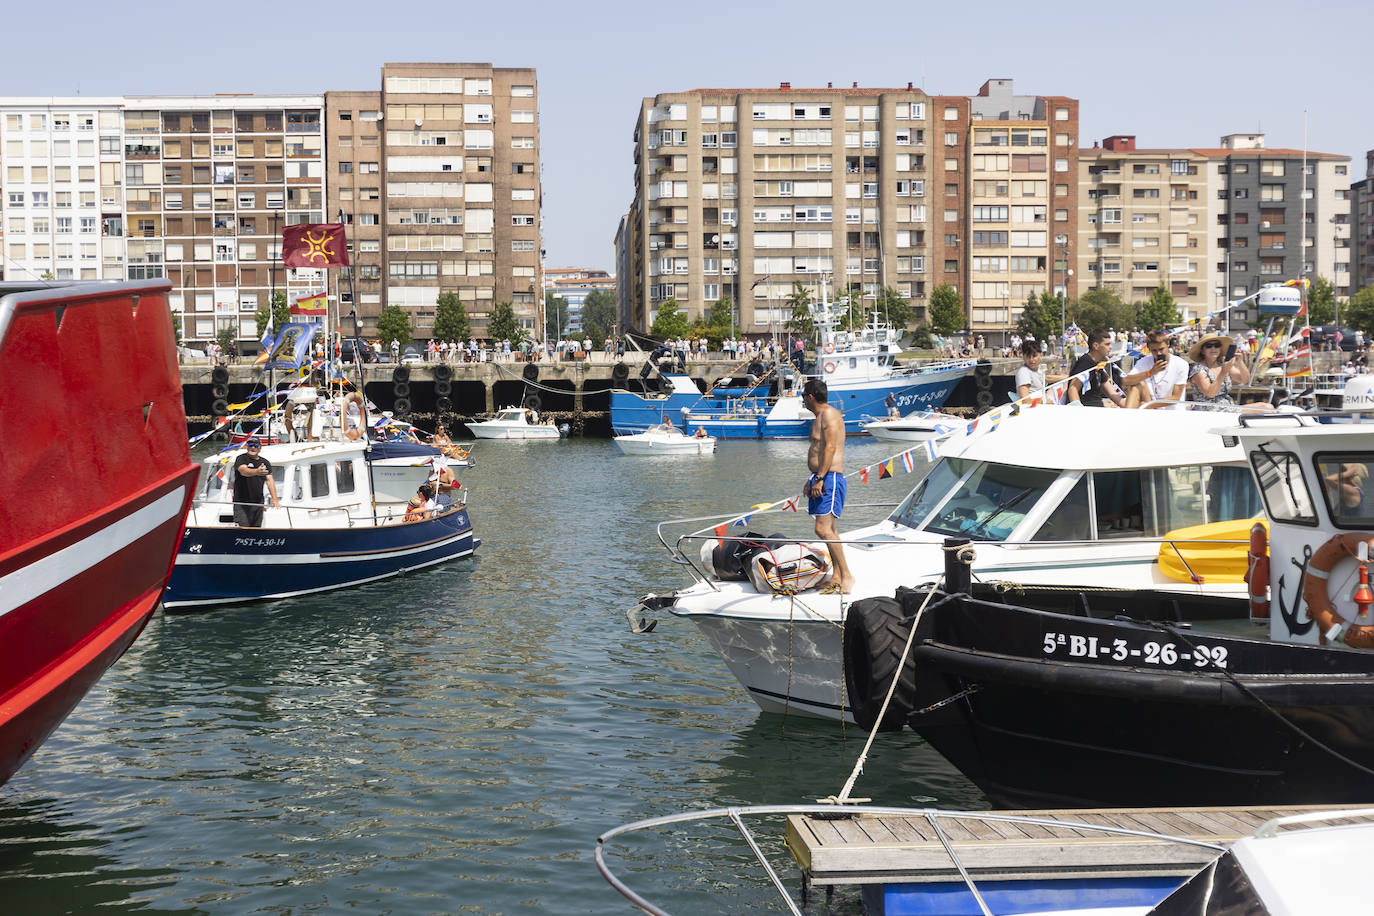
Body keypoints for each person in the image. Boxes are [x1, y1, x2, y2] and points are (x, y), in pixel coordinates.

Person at [802, 379, 853, 594]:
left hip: (830, 477)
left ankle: (847, 576)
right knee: (829, 530)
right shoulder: (820, 417)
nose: (803, 400)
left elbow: (830, 447)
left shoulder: (829, 415)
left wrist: (821, 477)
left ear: (811, 396)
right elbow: (819, 450)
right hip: (822, 476)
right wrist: (813, 478)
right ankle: (837, 576)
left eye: (804, 396)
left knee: (823, 529)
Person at [1121, 330, 1188, 407]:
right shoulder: (1144, 361)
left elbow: (1176, 397)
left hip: (1169, 410)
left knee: (1140, 386)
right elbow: (1126, 381)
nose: (1158, 353)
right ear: (1149, 349)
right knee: (1137, 384)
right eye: (1154, 350)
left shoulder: (1181, 364)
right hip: (1149, 405)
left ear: (1168, 345)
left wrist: (1149, 405)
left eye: (1161, 349)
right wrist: (1150, 373)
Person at [1187, 333, 1250, 410]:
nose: (1213, 348)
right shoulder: (1198, 369)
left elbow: (1244, 379)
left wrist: (1240, 361)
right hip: (1209, 409)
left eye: (1217, 345)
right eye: (1209, 346)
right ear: (1202, 351)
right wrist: (1223, 372)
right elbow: (1210, 394)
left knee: (1265, 407)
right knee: (1265, 407)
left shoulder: (1222, 364)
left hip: (1227, 405)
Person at [1067, 328, 1126, 407]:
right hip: (1088, 408)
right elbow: (1073, 389)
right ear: (1096, 346)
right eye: (1107, 344)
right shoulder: (1085, 362)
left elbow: (1112, 394)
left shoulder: (1098, 366)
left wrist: (1130, 407)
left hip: (1097, 405)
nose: (1111, 347)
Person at [232, 438, 279, 528]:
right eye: (250, 445)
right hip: (242, 503)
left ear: (260, 448)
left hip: (258, 502)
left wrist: (275, 499)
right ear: (246, 446)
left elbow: (270, 481)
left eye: (256, 446)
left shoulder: (265, 462)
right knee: (244, 529)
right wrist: (256, 472)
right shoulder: (241, 458)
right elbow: (243, 471)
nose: (253, 447)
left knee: (256, 529)